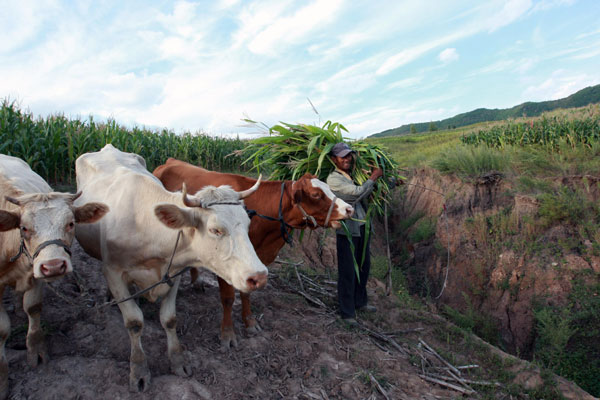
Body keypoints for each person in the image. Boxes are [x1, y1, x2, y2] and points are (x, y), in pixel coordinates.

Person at [326, 142, 383, 326]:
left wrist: (388, 184)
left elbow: (368, 194)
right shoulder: (334, 179)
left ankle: (360, 302)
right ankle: (347, 312)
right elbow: (356, 194)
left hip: (362, 228)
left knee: (363, 267)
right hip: (347, 231)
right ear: (334, 159)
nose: (347, 159)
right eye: (342, 156)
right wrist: (374, 177)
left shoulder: (354, 175)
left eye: (349, 155)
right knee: (348, 271)